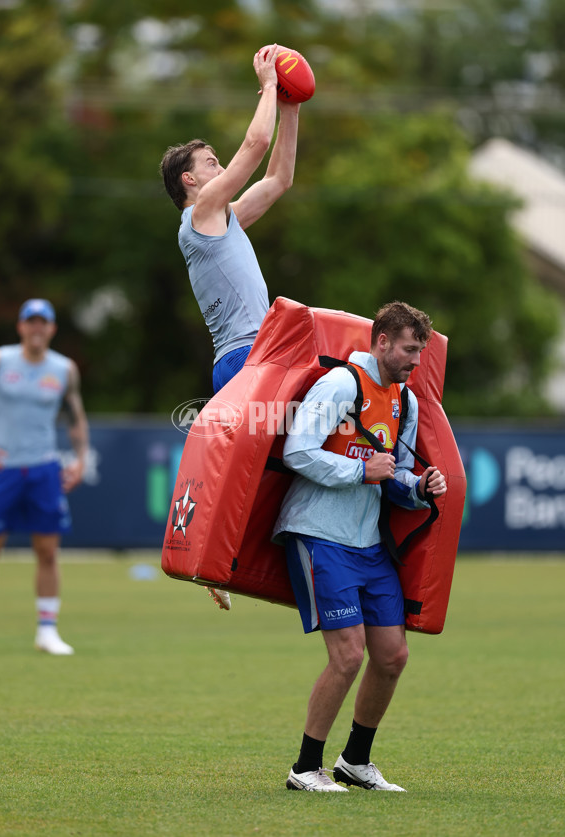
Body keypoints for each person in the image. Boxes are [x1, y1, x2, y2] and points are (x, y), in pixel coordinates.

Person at [272, 301, 448, 792]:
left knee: (391, 656)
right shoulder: (341, 384)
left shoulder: (403, 399)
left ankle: (355, 761)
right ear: (383, 341)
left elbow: (391, 474)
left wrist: (418, 487)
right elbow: (297, 450)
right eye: (411, 350)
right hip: (320, 535)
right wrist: (359, 470)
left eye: (421, 352)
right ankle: (305, 768)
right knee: (348, 655)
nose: (416, 361)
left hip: (369, 544)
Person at [161, 44, 301, 610]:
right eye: (211, 163)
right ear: (190, 182)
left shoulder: (228, 220)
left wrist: (291, 104)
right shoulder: (197, 217)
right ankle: (214, 557)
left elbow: (279, 177)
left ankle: (238, 557)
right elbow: (254, 146)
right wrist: (268, 84)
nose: (222, 165)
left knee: (290, 455)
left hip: (261, 357)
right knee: (277, 456)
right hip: (244, 359)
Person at [0, 299, 89, 655]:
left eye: (43, 322)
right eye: (30, 322)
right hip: (3, 468)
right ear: (20, 326)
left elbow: (76, 416)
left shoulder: (63, 369)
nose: (37, 328)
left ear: (51, 328)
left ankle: (47, 631)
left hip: (44, 469)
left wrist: (80, 459)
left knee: (47, 551)